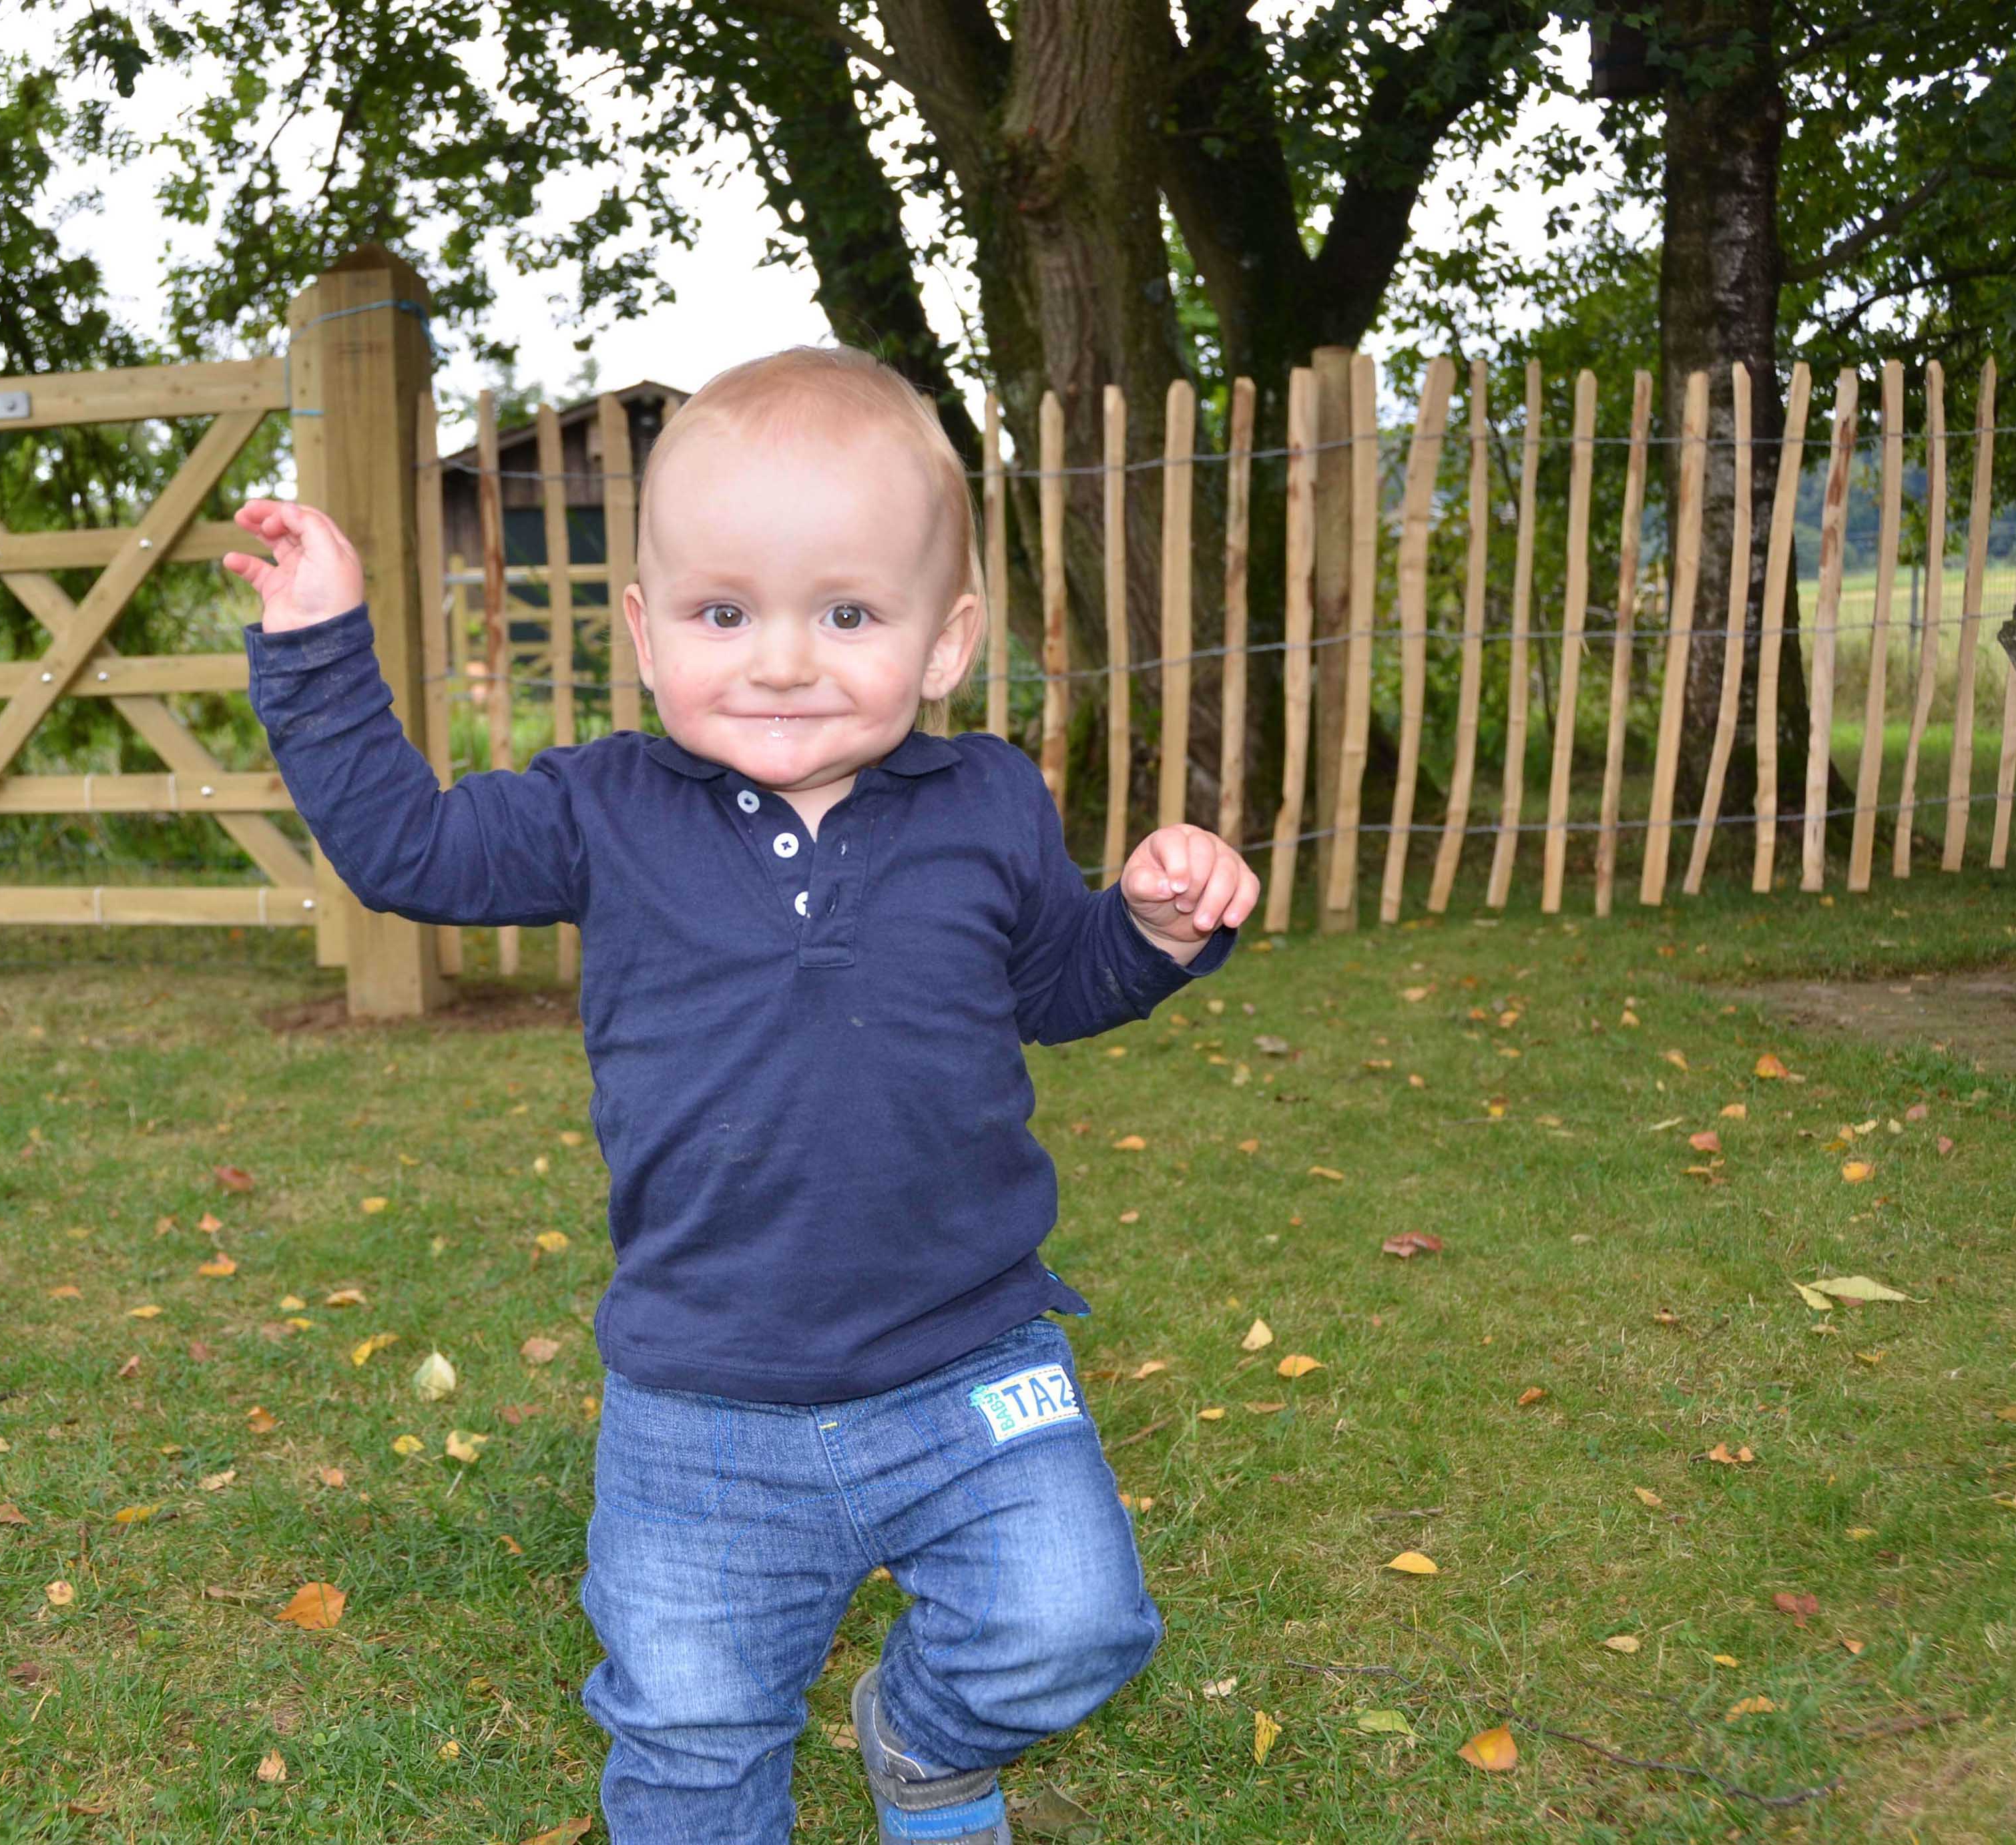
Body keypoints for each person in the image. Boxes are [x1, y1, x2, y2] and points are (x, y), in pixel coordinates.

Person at [229, 345, 1255, 1845]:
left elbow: (1054, 983)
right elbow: (410, 853)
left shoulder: (988, 803)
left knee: (1068, 1621)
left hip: (966, 1357)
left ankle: (922, 1742)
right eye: (725, 613)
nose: (781, 659)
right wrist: (319, 649)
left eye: (846, 613)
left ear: (946, 637)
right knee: (691, 1739)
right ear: (645, 631)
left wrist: (1153, 931)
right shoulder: (601, 810)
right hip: (700, 1404)